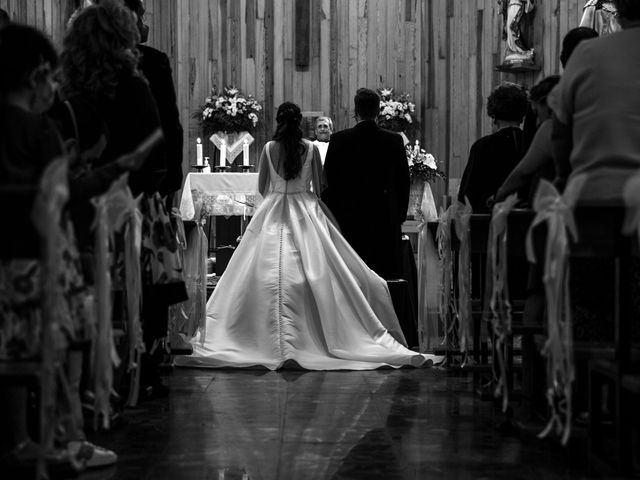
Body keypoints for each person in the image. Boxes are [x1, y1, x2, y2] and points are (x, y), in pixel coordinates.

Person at [176, 102, 433, 370]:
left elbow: (263, 188)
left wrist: (279, 193)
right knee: (321, 268)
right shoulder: (310, 148)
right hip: (306, 209)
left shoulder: (268, 149)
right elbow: (321, 187)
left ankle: (247, 336)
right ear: (301, 123)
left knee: (259, 271)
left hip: (273, 210)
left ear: (278, 121)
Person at [550, 0, 640, 204]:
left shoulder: (587, 52)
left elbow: (560, 129)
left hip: (597, 192)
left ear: (619, 12)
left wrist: (563, 177)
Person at [322, 88, 410, 280]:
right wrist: (399, 217)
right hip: (384, 219)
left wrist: (333, 218)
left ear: (356, 112)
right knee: (385, 277)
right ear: (378, 111)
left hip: (349, 220)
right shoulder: (394, 141)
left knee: (351, 279)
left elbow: (329, 182)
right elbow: (403, 183)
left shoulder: (339, 140)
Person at [458, 82, 528, 213]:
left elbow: (466, 197)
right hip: (528, 221)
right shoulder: (531, 143)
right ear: (522, 115)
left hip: (489, 221)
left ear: (493, 115)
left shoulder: (482, 147)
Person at [499, 0, 536, 65]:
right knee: (509, 29)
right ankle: (513, 50)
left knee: (514, 27)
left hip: (518, 7)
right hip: (510, 8)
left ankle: (521, 50)